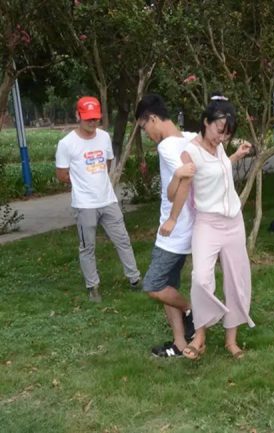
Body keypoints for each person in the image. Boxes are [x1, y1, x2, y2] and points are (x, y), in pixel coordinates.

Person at [163, 94, 254, 360]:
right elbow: (182, 189)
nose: (221, 137)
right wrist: (172, 219)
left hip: (233, 222)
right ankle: (200, 334)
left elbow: (217, 171)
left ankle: (231, 341)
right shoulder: (190, 151)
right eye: (218, 130)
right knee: (201, 279)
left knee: (237, 281)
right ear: (206, 121)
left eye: (226, 134)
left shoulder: (220, 147)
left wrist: (235, 155)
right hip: (208, 224)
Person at [55, 96, 141, 302]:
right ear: (78, 116)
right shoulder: (66, 144)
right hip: (84, 205)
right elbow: (62, 174)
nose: (92, 123)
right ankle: (93, 286)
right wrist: (82, 183)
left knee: (123, 240)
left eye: (95, 118)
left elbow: (108, 162)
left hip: (108, 200)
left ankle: (135, 279)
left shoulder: (103, 137)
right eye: (88, 119)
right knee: (87, 247)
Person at [134, 94, 197, 357]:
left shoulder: (167, 146)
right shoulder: (190, 137)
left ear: (153, 119)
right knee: (169, 286)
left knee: (154, 285)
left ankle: (193, 310)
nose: (147, 134)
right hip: (187, 228)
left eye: (144, 127)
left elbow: (187, 177)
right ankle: (180, 343)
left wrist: (172, 218)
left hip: (175, 232)